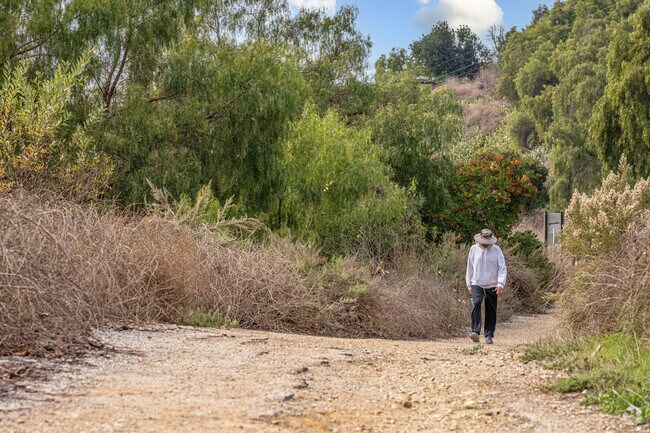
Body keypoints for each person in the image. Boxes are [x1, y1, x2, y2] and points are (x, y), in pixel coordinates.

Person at [465, 228, 507, 344]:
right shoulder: (473, 249)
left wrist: (500, 283)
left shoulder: (497, 250)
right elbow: (470, 268)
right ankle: (476, 332)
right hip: (476, 283)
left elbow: (502, 268)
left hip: (492, 284)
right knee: (476, 303)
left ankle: (489, 335)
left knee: (491, 309)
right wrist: (469, 285)